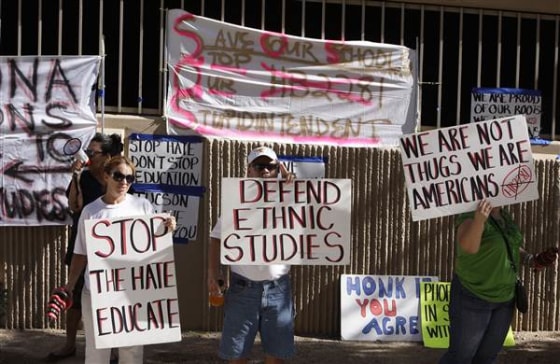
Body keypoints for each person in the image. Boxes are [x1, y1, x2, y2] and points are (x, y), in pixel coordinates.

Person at [62, 155, 176, 363]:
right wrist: (70, 285)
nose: (124, 182)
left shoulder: (142, 207)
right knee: (97, 351)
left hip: (132, 292)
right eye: (119, 176)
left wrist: (166, 229)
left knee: (131, 352)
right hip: (97, 292)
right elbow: (80, 252)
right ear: (106, 176)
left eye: (130, 178)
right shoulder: (91, 211)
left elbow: (154, 247)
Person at [439, 199, 558, 364]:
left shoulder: (504, 216)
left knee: (487, 358)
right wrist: (479, 220)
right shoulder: (468, 214)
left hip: (504, 300)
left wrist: (532, 260)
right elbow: (469, 247)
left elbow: (508, 246)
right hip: (472, 298)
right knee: (460, 358)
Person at [208, 146, 295, 364]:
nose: (265, 171)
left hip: (278, 290)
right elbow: (216, 238)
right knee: (236, 357)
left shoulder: (292, 199)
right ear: (249, 170)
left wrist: (295, 189)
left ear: (278, 170)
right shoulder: (236, 201)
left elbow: (311, 219)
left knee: (276, 358)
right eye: (259, 166)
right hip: (242, 289)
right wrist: (212, 273)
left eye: (270, 166)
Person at [46, 133, 123, 362]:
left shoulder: (118, 178)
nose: (88, 156)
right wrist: (76, 177)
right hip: (82, 246)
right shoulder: (85, 177)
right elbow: (74, 205)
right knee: (75, 297)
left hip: (110, 249)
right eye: (87, 152)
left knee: (110, 300)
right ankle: (70, 345)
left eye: (93, 152)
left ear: (107, 156)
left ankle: (110, 348)